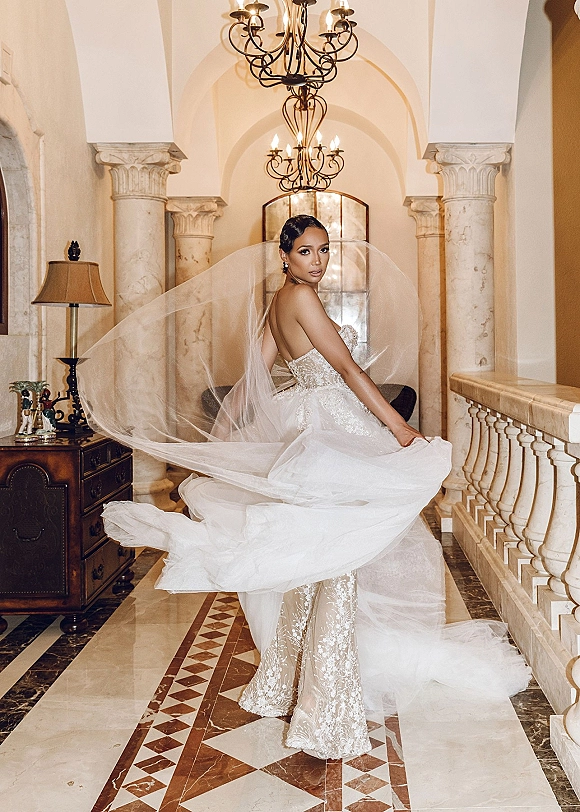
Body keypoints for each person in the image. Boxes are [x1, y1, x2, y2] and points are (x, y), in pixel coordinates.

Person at [95, 217, 530, 761]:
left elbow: (252, 380)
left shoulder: (278, 303)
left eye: (324, 251)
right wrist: (400, 429)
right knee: (337, 568)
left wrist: (222, 449)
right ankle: (327, 714)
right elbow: (346, 368)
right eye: (306, 251)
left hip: (310, 430)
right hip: (330, 430)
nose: (318, 262)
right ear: (285, 256)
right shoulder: (301, 298)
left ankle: (284, 683)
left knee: (315, 566)